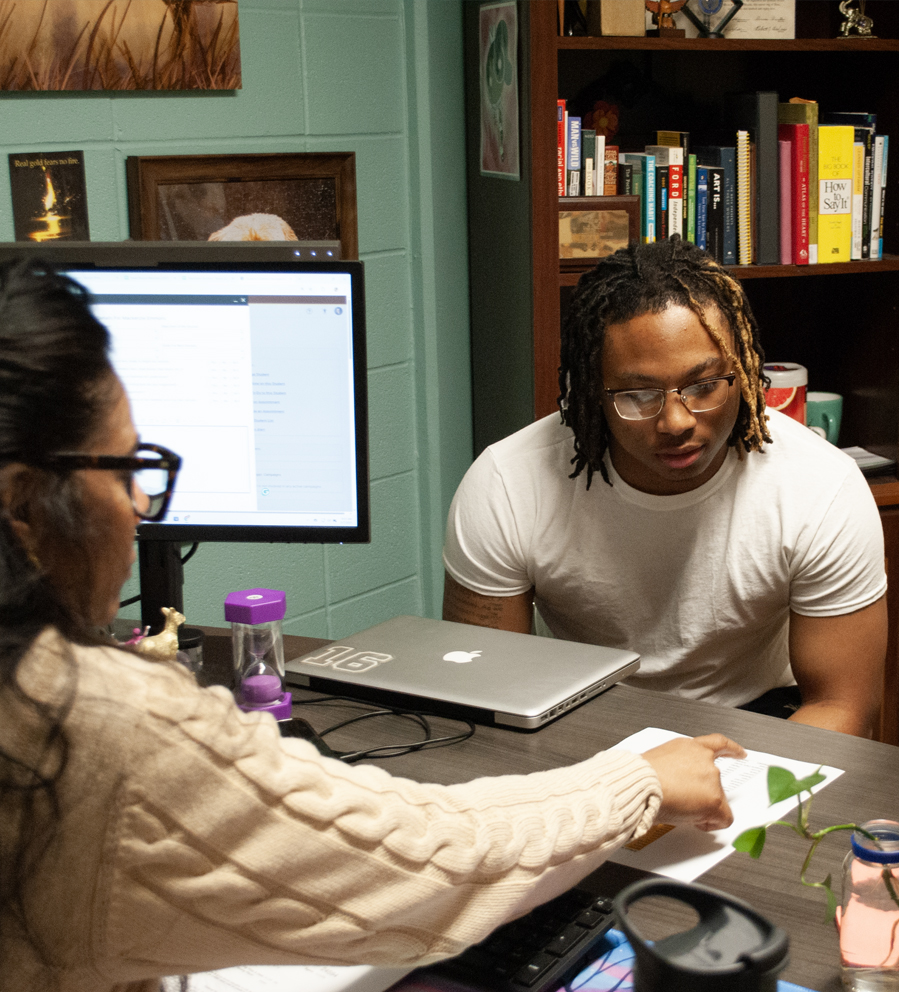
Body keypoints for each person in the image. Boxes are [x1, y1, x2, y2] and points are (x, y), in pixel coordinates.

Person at [0, 259, 744, 992]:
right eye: (127, 469)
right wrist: (635, 782)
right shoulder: (85, 721)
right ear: (24, 506)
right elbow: (429, 863)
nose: (138, 506)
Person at [443, 239, 887, 734]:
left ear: (742, 373)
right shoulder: (507, 485)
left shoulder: (819, 485)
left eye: (703, 386)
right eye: (637, 394)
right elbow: (483, 697)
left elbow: (842, 706)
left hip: (762, 724)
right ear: (591, 390)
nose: (675, 422)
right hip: (579, 719)